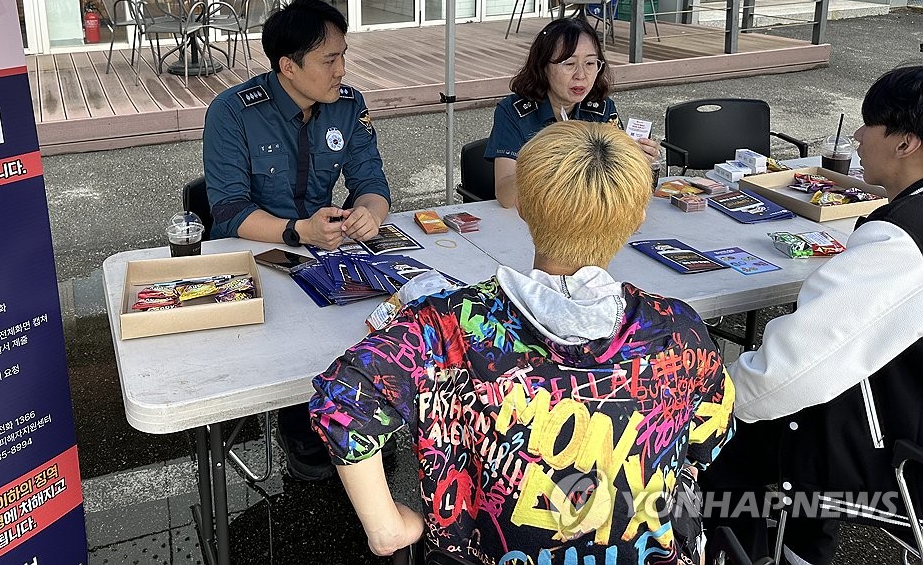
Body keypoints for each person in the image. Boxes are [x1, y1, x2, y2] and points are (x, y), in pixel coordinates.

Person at [311, 121, 735, 564]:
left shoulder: (448, 326)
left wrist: (387, 528)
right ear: (638, 215)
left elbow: (343, 401)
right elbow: (707, 443)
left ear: (525, 208)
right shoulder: (678, 330)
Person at [703, 64, 923, 565]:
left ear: (906, 143)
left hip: (893, 454)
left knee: (724, 449)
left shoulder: (903, 243)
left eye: (869, 125)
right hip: (903, 412)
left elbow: (785, 375)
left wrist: (704, 403)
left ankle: (783, 548)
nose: (860, 139)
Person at [203, 0, 391, 481]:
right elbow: (227, 211)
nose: (342, 70)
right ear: (288, 65)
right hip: (260, 255)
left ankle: (353, 415)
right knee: (295, 351)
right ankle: (301, 421)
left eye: (343, 56)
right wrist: (297, 230)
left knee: (376, 326)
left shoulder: (348, 107)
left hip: (331, 253)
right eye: (329, 59)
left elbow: (372, 183)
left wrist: (369, 215)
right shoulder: (233, 112)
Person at [485, 16, 660, 208]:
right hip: (533, 219)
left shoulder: (600, 108)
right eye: (569, 64)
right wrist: (553, 162)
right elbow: (505, 196)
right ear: (543, 67)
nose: (581, 75)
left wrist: (636, 162)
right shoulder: (513, 111)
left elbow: (616, 189)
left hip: (586, 217)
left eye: (590, 63)